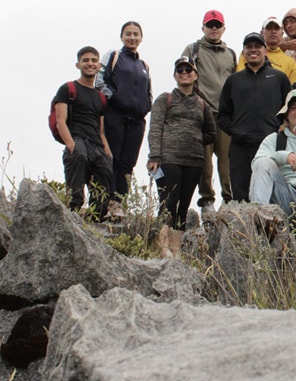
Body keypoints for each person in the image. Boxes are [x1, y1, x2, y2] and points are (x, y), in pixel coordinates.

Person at [146, 56, 216, 257]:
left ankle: (176, 250)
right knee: (168, 203)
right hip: (168, 159)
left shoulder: (202, 104)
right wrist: (155, 155)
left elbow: (211, 133)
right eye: (180, 71)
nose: (184, 73)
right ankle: (163, 248)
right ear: (175, 75)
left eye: (188, 70)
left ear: (196, 75)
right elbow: (155, 128)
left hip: (194, 161)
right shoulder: (164, 99)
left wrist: (193, 138)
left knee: (183, 207)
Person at [218, 32, 293, 202]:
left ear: (265, 50)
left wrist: (279, 130)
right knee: (241, 196)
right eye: (248, 47)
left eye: (257, 46)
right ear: (243, 52)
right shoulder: (233, 80)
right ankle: (244, 229)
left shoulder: (279, 78)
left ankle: (268, 228)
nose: (253, 50)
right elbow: (223, 115)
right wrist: (236, 132)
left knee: (270, 194)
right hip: (240, 146)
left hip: (270, 145)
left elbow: (289, 110)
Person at [181, 9, 237, 209]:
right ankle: (207, 201)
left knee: (227, 160)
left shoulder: (231, 54)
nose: (214, 29)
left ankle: (230, 200)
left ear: (224, 28)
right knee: (204, 162)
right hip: (202, 112)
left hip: (225, 114)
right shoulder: (193, 49)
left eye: (217, 25)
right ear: (203, 27)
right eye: (210, 25)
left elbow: (235, 82)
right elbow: (183, 74)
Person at [53, 46, 116, 220]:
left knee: (103, 189)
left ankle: (94, 221)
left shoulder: (100, 96)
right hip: (77, 140)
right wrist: (72, 146)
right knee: (76, 193)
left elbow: (101, 129)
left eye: (94, 61)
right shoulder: (68, 89)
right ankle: (72, 216)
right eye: (85, 60)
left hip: (96, 144)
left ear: (98, 65)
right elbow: (60, 121)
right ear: (78, 65)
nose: (90, 64)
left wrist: (107, 152)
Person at [99, 21, 152, 196]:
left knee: (128, 162)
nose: (132, 37)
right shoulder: (113, 56)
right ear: (122, 36)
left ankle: (120, 201)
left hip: (137, 120)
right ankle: (107, 200)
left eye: (136, 34)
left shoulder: (143, 65)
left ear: (141, 38)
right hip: (115, 115)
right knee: (112, 158)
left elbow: (148, 90)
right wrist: (114, 97)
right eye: (128, 34)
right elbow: (99, 80)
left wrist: (147, 105)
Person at [237, 16, 296, 84]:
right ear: (262, 32)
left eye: (276, 28)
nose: (273, 31)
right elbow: (240, 79)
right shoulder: (248, 54)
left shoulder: (290, 62)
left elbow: (293, 89)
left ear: (282, 33)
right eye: (269, 28)